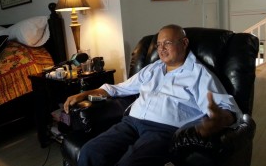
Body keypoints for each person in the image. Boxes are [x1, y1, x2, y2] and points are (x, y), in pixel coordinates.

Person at [64, 24, 242, 166]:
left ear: (184, 43)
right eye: (158, 44)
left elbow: (227, 108)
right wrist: (87, 93)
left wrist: (219, 120)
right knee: (90, 152)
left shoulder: (199, 74)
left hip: (162, 131)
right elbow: (121, 88)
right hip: (131, 123)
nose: (161, 49)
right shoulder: (153, 68)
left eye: (167, 43)